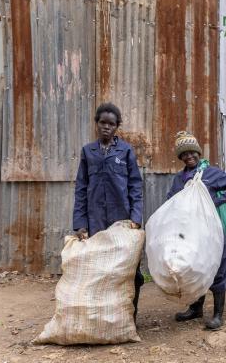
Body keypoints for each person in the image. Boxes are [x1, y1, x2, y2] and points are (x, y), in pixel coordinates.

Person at [72, 102, 144, 319]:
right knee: (99, 270)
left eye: (111, 124)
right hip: (96, 222)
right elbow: (81, 189)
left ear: (117, 127)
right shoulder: (88, 152)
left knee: (130, 271)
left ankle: (129, 315)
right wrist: (80, 223)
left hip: (121, 221)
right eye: (102, 122)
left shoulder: (126, 151)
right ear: (96, 124)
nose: (106, 127)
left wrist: (136, 217)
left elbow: (135, 186)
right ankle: (102, 317)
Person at [167, 131, 226, 330]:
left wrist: (220, 199)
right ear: (180, 157)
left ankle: (217, 315)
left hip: (212, 231)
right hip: (191, 232)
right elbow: (171, 202)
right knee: (194, 268)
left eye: (192, 152)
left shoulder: (211, 173)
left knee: (218, 267)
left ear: (198, 152)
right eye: (184, 154)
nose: (189, 156)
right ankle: (196, 308)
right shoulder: (179, 179)